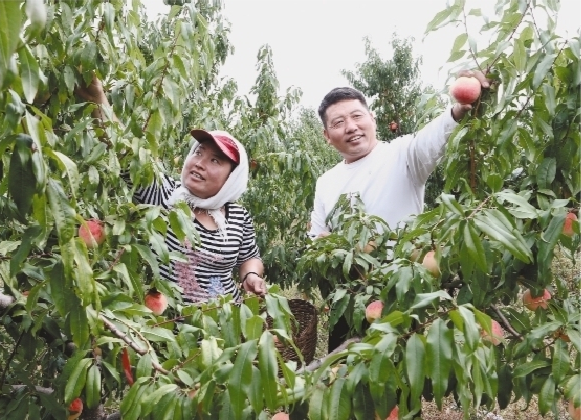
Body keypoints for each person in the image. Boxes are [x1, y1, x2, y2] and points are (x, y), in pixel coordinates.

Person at [309, 70, 489, 351]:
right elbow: (318, 239)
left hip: (402, 292)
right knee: (343, 379)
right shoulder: (325, 182)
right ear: (327, 136)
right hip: (351, 300)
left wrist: (459, 108)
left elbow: (433, 138)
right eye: (339, 122)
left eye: (357, 116)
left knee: (397, 383)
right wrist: (324, 248)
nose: (351, 127)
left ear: (373, 119)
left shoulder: (403, 154)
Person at [75, 78, 267, 304]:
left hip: (225, 326)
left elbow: (249, 256)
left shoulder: (238, 217)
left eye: (215, 160)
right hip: (168, 328)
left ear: (232, 177)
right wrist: (99, 99)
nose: (199, 163)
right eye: (198, 152)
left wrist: (251, 275)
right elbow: (125, 154)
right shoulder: (165, 195)